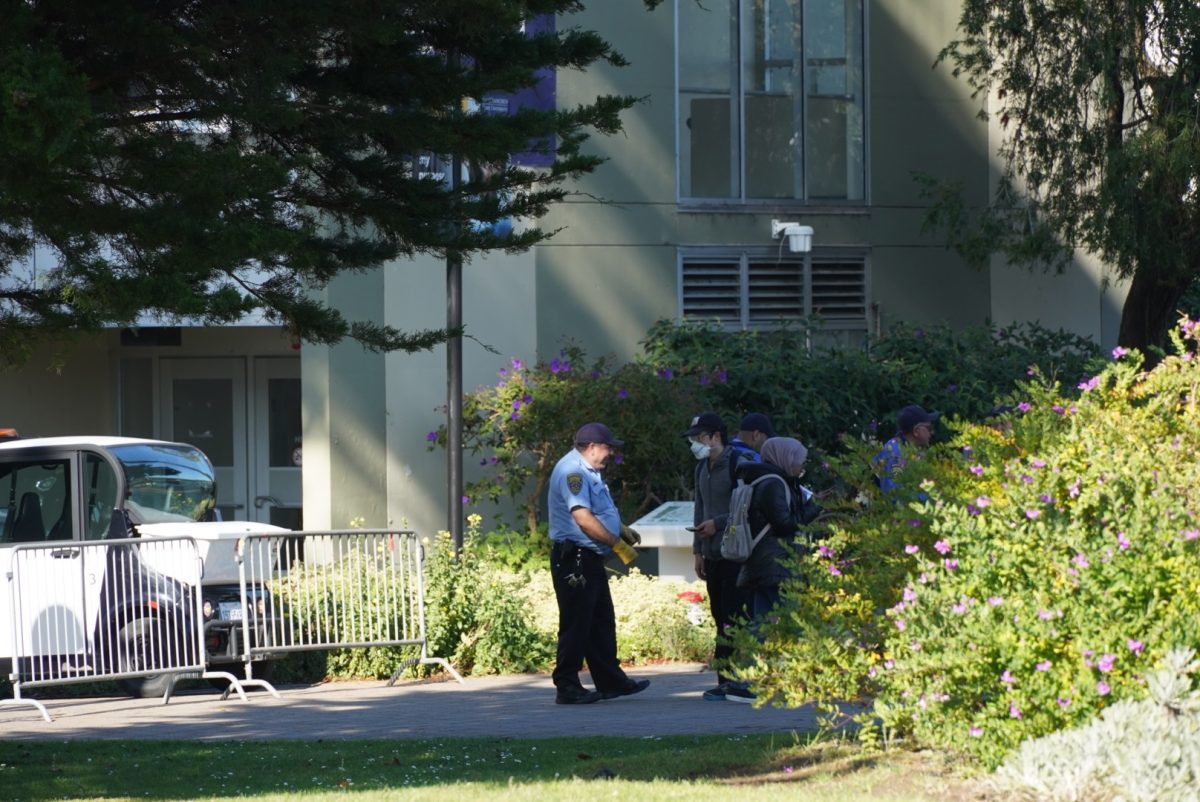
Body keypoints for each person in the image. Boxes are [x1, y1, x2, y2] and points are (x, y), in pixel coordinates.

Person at [547, 422, 651, 705]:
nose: (611, 454)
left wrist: (620, 528)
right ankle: (566, 685)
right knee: (577, 623)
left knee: (600, 620)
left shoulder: (588, 470)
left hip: (587, 557)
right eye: (608, 448)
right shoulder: (573, 472)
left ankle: (611, 681)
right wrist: (615, 543)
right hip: (575, 558)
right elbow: (582, 517)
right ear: (592, 447)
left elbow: (597, 510)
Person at [683, 412, 750, 702]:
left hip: (734, 553)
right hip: (711, 553)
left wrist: (718, 524)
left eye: (699, 437)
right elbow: (699, 507)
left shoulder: (738, 464)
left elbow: (746, 506)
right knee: (719, 615)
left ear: (715, 437)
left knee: (733, 617)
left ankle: (735, 679)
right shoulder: (702, 468)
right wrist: (697, 549)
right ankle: (725, 679)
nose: (695, 443)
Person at [875, 404, 940, 492]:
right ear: (916, 431)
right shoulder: (895, 454)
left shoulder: (907, 447)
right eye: (929, 428)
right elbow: (893, 495)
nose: (932, 432)